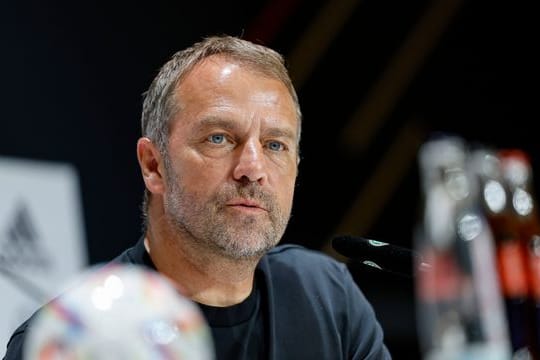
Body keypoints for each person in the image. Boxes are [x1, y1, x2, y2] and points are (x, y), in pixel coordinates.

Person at [3, 35, 391, 359]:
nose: (252, 167)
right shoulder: (75, 338)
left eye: (275, 145)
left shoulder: (327, 296)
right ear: (154, 165)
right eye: (219, 138)